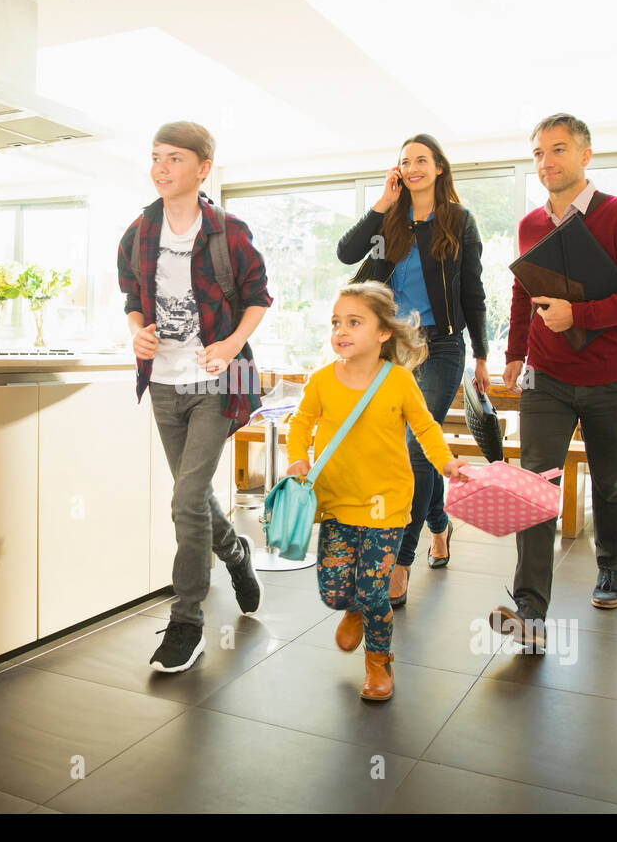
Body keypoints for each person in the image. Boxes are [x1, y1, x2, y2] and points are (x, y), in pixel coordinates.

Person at [491, 113, 617, 648]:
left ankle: (610, 564)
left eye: (559, 150)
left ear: (586, 155)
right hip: (544, 380)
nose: (547, 162)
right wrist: (515, 353)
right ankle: (530, 609)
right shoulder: (529, 226)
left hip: (610, 379)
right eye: (539, 153)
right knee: (534, 487)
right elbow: (524, 294)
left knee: (610, 482)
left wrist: (580, 315)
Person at [117, 121, 273, 672]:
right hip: (161, 381)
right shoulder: (138, 233)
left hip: (217, 380)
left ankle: (187, 621)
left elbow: (258, 297)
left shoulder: (228, 231)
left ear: (203, 167)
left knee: (186, 499)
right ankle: (235, 552)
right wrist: (137, 328)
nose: (161, 167)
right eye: (156, 157)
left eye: (175, 158)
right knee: (196, 492)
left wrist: (230, 344)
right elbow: (133, 297)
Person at [284, 282, 469, 700]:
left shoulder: (399, 381)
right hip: (336, 503)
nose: (341, 331)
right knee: (333, 589)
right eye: (336, 323)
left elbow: (425, 427)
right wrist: (297, 457)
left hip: (387, 505)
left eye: (354, 322)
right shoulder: (320, 381)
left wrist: (446, 462)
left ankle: (378, 661)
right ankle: (351, 607)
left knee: (374, 591)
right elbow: (300, 424)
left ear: (384, 332)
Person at [336, 134, 488, 608]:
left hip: (441, 346)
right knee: (415, 449)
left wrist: (482, 354)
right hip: (395, 350)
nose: (413, 167)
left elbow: (473, 293)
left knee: (415, 452)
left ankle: (400, 561)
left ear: (439, 167)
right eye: (405, 162)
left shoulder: (458, 222)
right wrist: (382, 204)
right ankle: (439, 526)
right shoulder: (392, 222)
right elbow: (347, 255)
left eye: (421, 160)